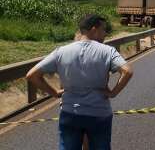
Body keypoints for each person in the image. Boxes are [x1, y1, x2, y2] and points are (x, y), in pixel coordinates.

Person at [26, 14, 134, 150]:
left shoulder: (61, 52)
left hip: (70, 113)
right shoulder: (108, 51)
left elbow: (32, 75)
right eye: (103, 29)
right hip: (99, 113)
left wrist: (54, 93)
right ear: (94, 29)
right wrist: (113, 93)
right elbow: (127, 71)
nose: (105, 33)